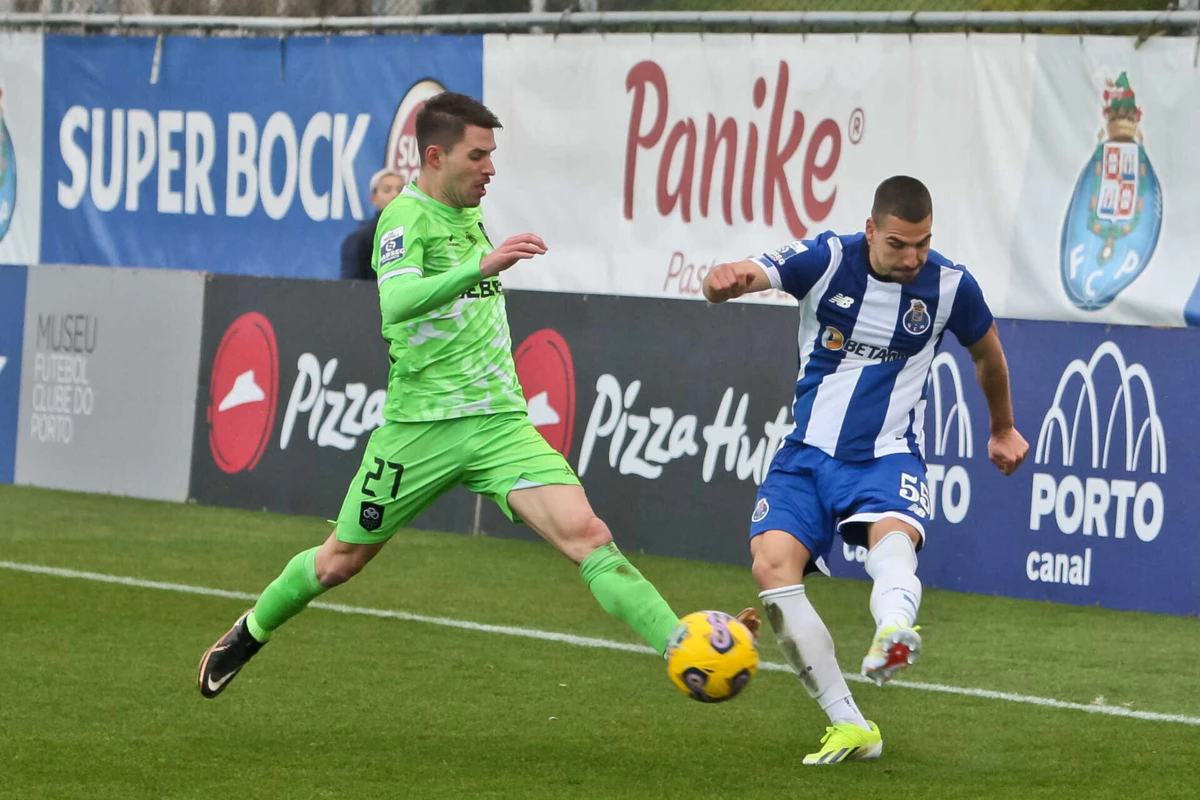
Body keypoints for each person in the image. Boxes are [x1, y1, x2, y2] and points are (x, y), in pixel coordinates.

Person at [199, 92, 719, 699]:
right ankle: (251, 630)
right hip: (421, 428)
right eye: (479, 155)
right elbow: (394, 302)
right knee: (340, 561)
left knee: (589, 535)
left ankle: (683, 647)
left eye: (493, 155)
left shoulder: (469, 212)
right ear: (435, 155)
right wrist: (483, 267)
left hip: (500, 423)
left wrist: (484, 262)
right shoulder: (405, 219)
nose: (491, 168)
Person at [702, 176, 1029, 765]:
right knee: (772, 567)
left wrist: (1002, 428)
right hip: (804, 456)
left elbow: (989, 356)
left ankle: (894, 632)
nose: (912, 258)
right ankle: (852, 725)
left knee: (892, 545)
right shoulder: (828, 259)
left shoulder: (950, 286)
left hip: (886, 452)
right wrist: (724, 279)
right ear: (871, 229)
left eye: (923, 244)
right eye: (898, 244)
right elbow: (749, 272)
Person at [339, 168, 405, 280]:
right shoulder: (359, 239)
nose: (395, 195)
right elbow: (349, 286)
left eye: (400, 190)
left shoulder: (419, 230)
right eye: (387, 190)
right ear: (373, 198)